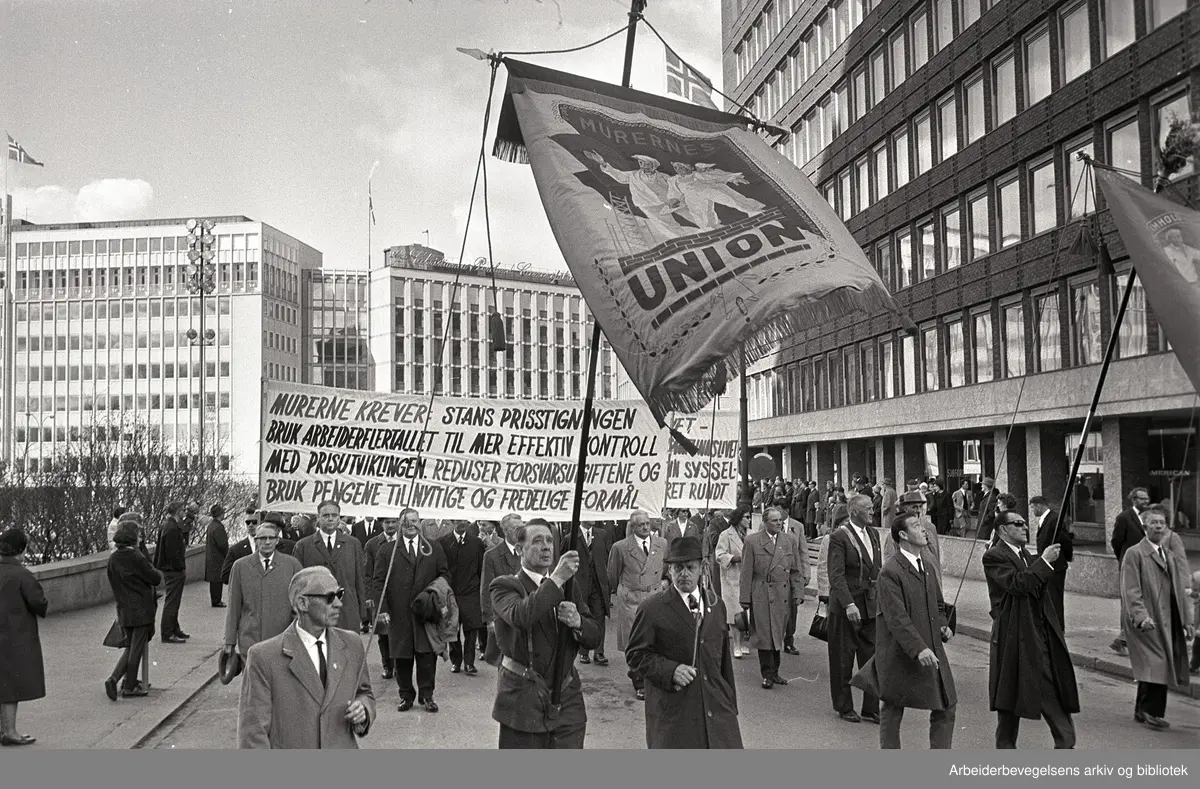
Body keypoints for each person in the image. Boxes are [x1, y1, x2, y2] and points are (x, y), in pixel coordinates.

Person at [490, 522, 601, 748]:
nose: (546, 547)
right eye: (537, 541)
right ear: (520, 550)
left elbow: (594, 636)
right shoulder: (505, 586)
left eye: (550, 541)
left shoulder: (569, 586)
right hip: (523, 698)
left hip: (566, 697)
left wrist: (578, 622)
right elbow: (521, 616)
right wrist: (556, 579)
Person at [237, 567, 375, 748]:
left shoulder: (352, 644)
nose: (339, 604)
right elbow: (253, 735)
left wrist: (363, 710)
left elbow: (365, 694)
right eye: (329, 598)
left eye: (339, 594)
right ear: (302, 603)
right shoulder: (263, 657)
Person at [627, 536, 742, 749]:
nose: (684, 574)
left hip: (717, 713)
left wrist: (729, 703)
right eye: (677, 568)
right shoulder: (652, 608)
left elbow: (724, 660)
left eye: (690, 567)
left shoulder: (716, 605)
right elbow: (635, 655)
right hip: (675, 715)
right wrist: (671, 671)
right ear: (669, 570)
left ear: (702, 568)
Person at [983, 511, 1079, 749]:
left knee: (1050, 688)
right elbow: (1018, 584)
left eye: (1025, 522)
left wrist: (1045, 564)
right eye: (1018, 523)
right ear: (1003, 530)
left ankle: (1065, 744)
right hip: (1013, 635)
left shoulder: (1025, 554)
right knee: (1008, 698)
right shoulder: (995, 556)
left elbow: (1037, 585)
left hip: (1037, 633)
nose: (1025, 527)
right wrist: (1044, 562)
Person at [873, 512, 957, 749]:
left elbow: (939, 604)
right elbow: (896, 618)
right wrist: (918, 648)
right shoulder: (890, 571)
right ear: (903, 535)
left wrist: (944, 624)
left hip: (932, 647)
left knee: (946, 704)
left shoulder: (927, 565)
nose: (924, 530)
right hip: (901, 652)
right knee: (892, 706)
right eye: (916, 526)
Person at [1121, 504, 1195, 730]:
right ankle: (1151, 711)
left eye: (1162, 523)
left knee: (1154, 662)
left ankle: (1142, 710)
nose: (1159, 526)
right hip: (1147, 620)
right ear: (1144, 526)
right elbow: (1130, 590)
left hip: (1167, 619)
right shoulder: (1134, 554)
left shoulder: (1168, 555)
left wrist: (1187, 620)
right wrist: (1141, 616)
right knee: (1157, 662)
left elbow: (1178, 589)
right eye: (1154, 522)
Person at [371, 508, 449, 713]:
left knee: (426, 657)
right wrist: (382, 609)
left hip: (426, 614)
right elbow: (378, 581)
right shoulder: (387, 551)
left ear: (420, 522)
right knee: (402, 657)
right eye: (405, 522)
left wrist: (434, 597)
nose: (410, 525)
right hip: (399, 613)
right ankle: (406, 695)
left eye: (414, 521)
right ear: (399, 524)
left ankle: (427, 696)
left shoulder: (433, 548)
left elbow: (445, 575)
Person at [827, 494, 882, 722]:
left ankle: (871, 707)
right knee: (843, 659)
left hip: (870, 606)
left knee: (873, 659)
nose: (872, 512)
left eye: (872, 508)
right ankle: (844, 706)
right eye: (867, 509)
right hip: (846, 608)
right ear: (853, 512)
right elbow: (836, 576)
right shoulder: (840, 537)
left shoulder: (874, 533)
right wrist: (848, 604)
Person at [739, 506, 806, 690]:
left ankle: (775, 672)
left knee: (778, 633)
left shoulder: (789, 540)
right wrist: (744, 598)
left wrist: (798, 593)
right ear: (765, 523)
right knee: (764, 635)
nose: (779, 523)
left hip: (782, 594)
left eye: (780, 520)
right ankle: (767, 674)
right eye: (774, 521)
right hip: (761, 592)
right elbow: (746, 572)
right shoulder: (752, 541)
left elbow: (795, 570)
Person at [609, 510, 669, 700]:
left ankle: (652, 676)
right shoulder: (620, 547)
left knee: (656, 640)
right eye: (641, 524)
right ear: (633, 527)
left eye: (647, 524)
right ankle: (639, 681)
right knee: (635, 641)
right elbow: (612, 574)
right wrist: (626, 590)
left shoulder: (662, 544)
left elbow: (667, 567)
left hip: (655, 596)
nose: (645, 527)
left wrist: (665, 581)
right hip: (632, 599)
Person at [224, 521, 302, 664]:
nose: (267, 542)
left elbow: (300, 605)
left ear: (277, 540)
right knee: (253, 683)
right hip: (250, 639)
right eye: (262, 538)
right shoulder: (240, 566)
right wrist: (229, 641)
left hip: (282, 639)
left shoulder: (292, 565)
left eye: (271, 538)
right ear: (255, 540)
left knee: (279, 684)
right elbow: (233, 606)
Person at [0, 529, 47, 746]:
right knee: (11, 685)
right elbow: (39, 603)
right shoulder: (22, 575)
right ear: (21, 550)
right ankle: (9, 731)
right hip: (13, 635)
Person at [105, 520, 161, 701]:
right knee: (136, 648)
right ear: (133, 536)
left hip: (124, 607)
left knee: (131, 646)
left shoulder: (114, 558)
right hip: (141, 608)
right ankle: (128, 686)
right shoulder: (136, 557)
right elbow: (154, 578)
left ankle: (116, 679)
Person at [293, 500, 367, 634]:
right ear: (318, 517)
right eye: (326, 515)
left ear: (339, 517)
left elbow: (360, 580)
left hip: (346, 611)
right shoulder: (303, 546)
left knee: (346, 650)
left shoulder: (353, 544)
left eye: (334, 515)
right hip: (315, 613)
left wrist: (362, 613)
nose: (330, 519)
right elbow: (298, 585)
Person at [438, 521, 486, 676]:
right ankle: (456, 661)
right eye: (458, 521)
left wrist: (477, 588)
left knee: (471, 628)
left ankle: (469, 663)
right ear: (452, 522)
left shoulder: (476, 543)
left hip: (471, 592)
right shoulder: (444, 542)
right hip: (451, 593)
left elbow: (480, 569)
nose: (462, 524)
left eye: (465, 521)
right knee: (453, 628)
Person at [1111, 487, 1152, 656]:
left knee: (1145, 601)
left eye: (1147, 499)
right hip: (1130, 566)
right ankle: (1123, 638)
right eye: (1142, 499)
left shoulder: (1149, 517)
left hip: (1147, 566)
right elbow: (1116, 542)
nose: (1146, 502)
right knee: (1129, 601)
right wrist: (1125, 560)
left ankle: (1127, 638)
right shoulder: (1124, 518)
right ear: (1134, 500)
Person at [481, 513, 524, 655]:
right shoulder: (492, 556)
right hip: (502, 616)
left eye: (522, 527)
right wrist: (489, 620)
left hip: (526, 612)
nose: (521, 531)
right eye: (516, 528)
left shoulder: (529, 552)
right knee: (505, 659)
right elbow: (486, 588)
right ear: (506, 531)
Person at [571, 520, 612, 666]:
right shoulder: (571, 536)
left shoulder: (602, 535)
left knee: (599, 616)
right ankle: (584, 652)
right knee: (584, 617)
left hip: (598, 584)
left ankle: (599, 652)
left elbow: (608, 557)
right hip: (581, 585)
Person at [1030, 495, 1073, 630]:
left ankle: (1058, 627)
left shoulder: (1054, 519)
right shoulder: (1045, 519)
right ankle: (1051, 624)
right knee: (1049, 595)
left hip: (1056, 564)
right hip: (1048, 564)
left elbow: (1065, 540)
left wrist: (1067, 557)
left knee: (1055, 596)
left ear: (1038, 505)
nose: (1032, 511)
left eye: (1032, 508)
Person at [364, 517, 399, 678]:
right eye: (387, 522)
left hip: (400, 593)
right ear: (382, 524)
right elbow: (367, 572)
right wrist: (370, 595)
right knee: (383, 633)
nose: (390, 525)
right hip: (380, 593)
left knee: (400, 632)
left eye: (393, 522)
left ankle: (399, 665)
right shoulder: (372, 545)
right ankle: (387, 666)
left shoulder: (404, 541)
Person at [715, 506, 751, 657]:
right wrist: (734, 558)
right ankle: (736, 645)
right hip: (731, 578)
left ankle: (742, 643)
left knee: (744, 614)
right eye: (746, 517)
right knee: (734, 613)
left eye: (749, 517)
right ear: (738, 518)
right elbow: (719, 554)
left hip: (747, 579)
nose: (749, 520)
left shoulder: (750, 536)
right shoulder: (726, 534)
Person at [154, 501, 190, 644]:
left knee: (174, 601)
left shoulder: (167, 525)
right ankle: (168, 632)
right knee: (172, 601)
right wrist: (180, 567)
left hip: (170, 568)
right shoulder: (172, 528)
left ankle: (174, 628)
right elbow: (173, 552)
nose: (184, 513)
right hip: (173, 569)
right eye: (183, 510)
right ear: (178, 511)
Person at [779, 509, 810, 656]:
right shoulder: (766, 525)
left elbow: (803, 551)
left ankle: (789, 640)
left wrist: (806, 573)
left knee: (792, 610)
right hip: (775, 575)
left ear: (786, 511)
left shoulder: (797, 526)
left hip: (792, 573)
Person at [205, 505, 230, 608]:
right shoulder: (218, 527)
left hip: (212, 555)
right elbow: (222, 544)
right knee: (217, 579)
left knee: (214, 580)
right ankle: (217, 600)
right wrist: (228, 555)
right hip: (218, 557)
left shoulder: (211, 525)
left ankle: (215, 599)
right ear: (220, 514)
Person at [976, 478, 1000, 542]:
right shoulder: (986, 496)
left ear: (986, 486)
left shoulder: (991, 497)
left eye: (982, 485)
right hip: (983, 526)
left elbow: (992, 512)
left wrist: (984, 521)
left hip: (986, 527)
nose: (981, 486)